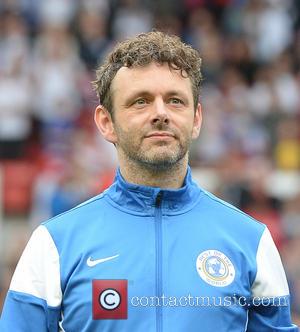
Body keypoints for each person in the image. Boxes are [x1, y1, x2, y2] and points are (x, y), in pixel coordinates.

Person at [0, 31, 298, 331]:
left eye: (175, 101)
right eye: (140, 101)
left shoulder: (251, 240)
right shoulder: (54, 243)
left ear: (196, 120)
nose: (160, 113)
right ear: (106, 122)